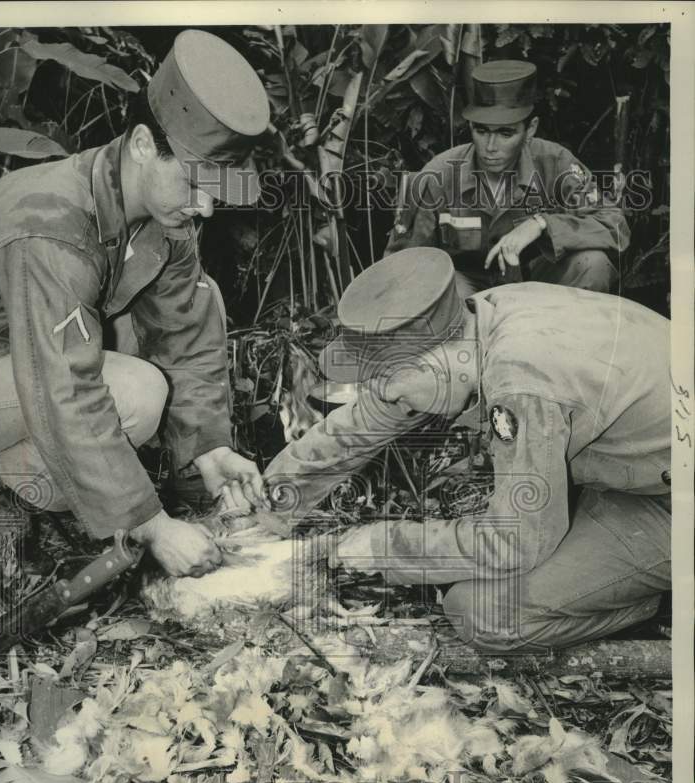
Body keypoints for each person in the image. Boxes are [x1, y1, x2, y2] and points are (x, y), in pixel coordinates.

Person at [0, 30, 272, 578]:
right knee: (137, 390)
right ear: (139, 144)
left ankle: (44, 475)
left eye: (217, 189)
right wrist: (151, 524)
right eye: (195, 183)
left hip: (18, 359)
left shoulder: (163, 216)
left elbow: (186, 333)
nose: (206, 207)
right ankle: (3, 484)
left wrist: (209, 449)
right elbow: (64, 381)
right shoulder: (48, 224)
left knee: (199, 303)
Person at [264, 248, 670, 651]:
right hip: (644, 467)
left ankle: (651, 598)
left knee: (481, 613)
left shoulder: (521, 380)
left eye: (392, 385)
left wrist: (386, 548)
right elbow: (364, 422)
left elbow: (517, 542)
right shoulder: (479, 317)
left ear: (435, 362)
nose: (387, 398)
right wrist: (272, 505)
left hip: (671, 505)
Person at [385, 60, 630, 298]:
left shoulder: (555, 163)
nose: (490, 147)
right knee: (438, 287)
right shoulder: (437, 174)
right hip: (466, 295)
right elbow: (404, 264)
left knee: (592, 263)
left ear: (530, 128)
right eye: (481, 131)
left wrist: (541, 224)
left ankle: (569, 339)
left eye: (506, 133)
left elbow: (615, 226)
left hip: (538, 287)